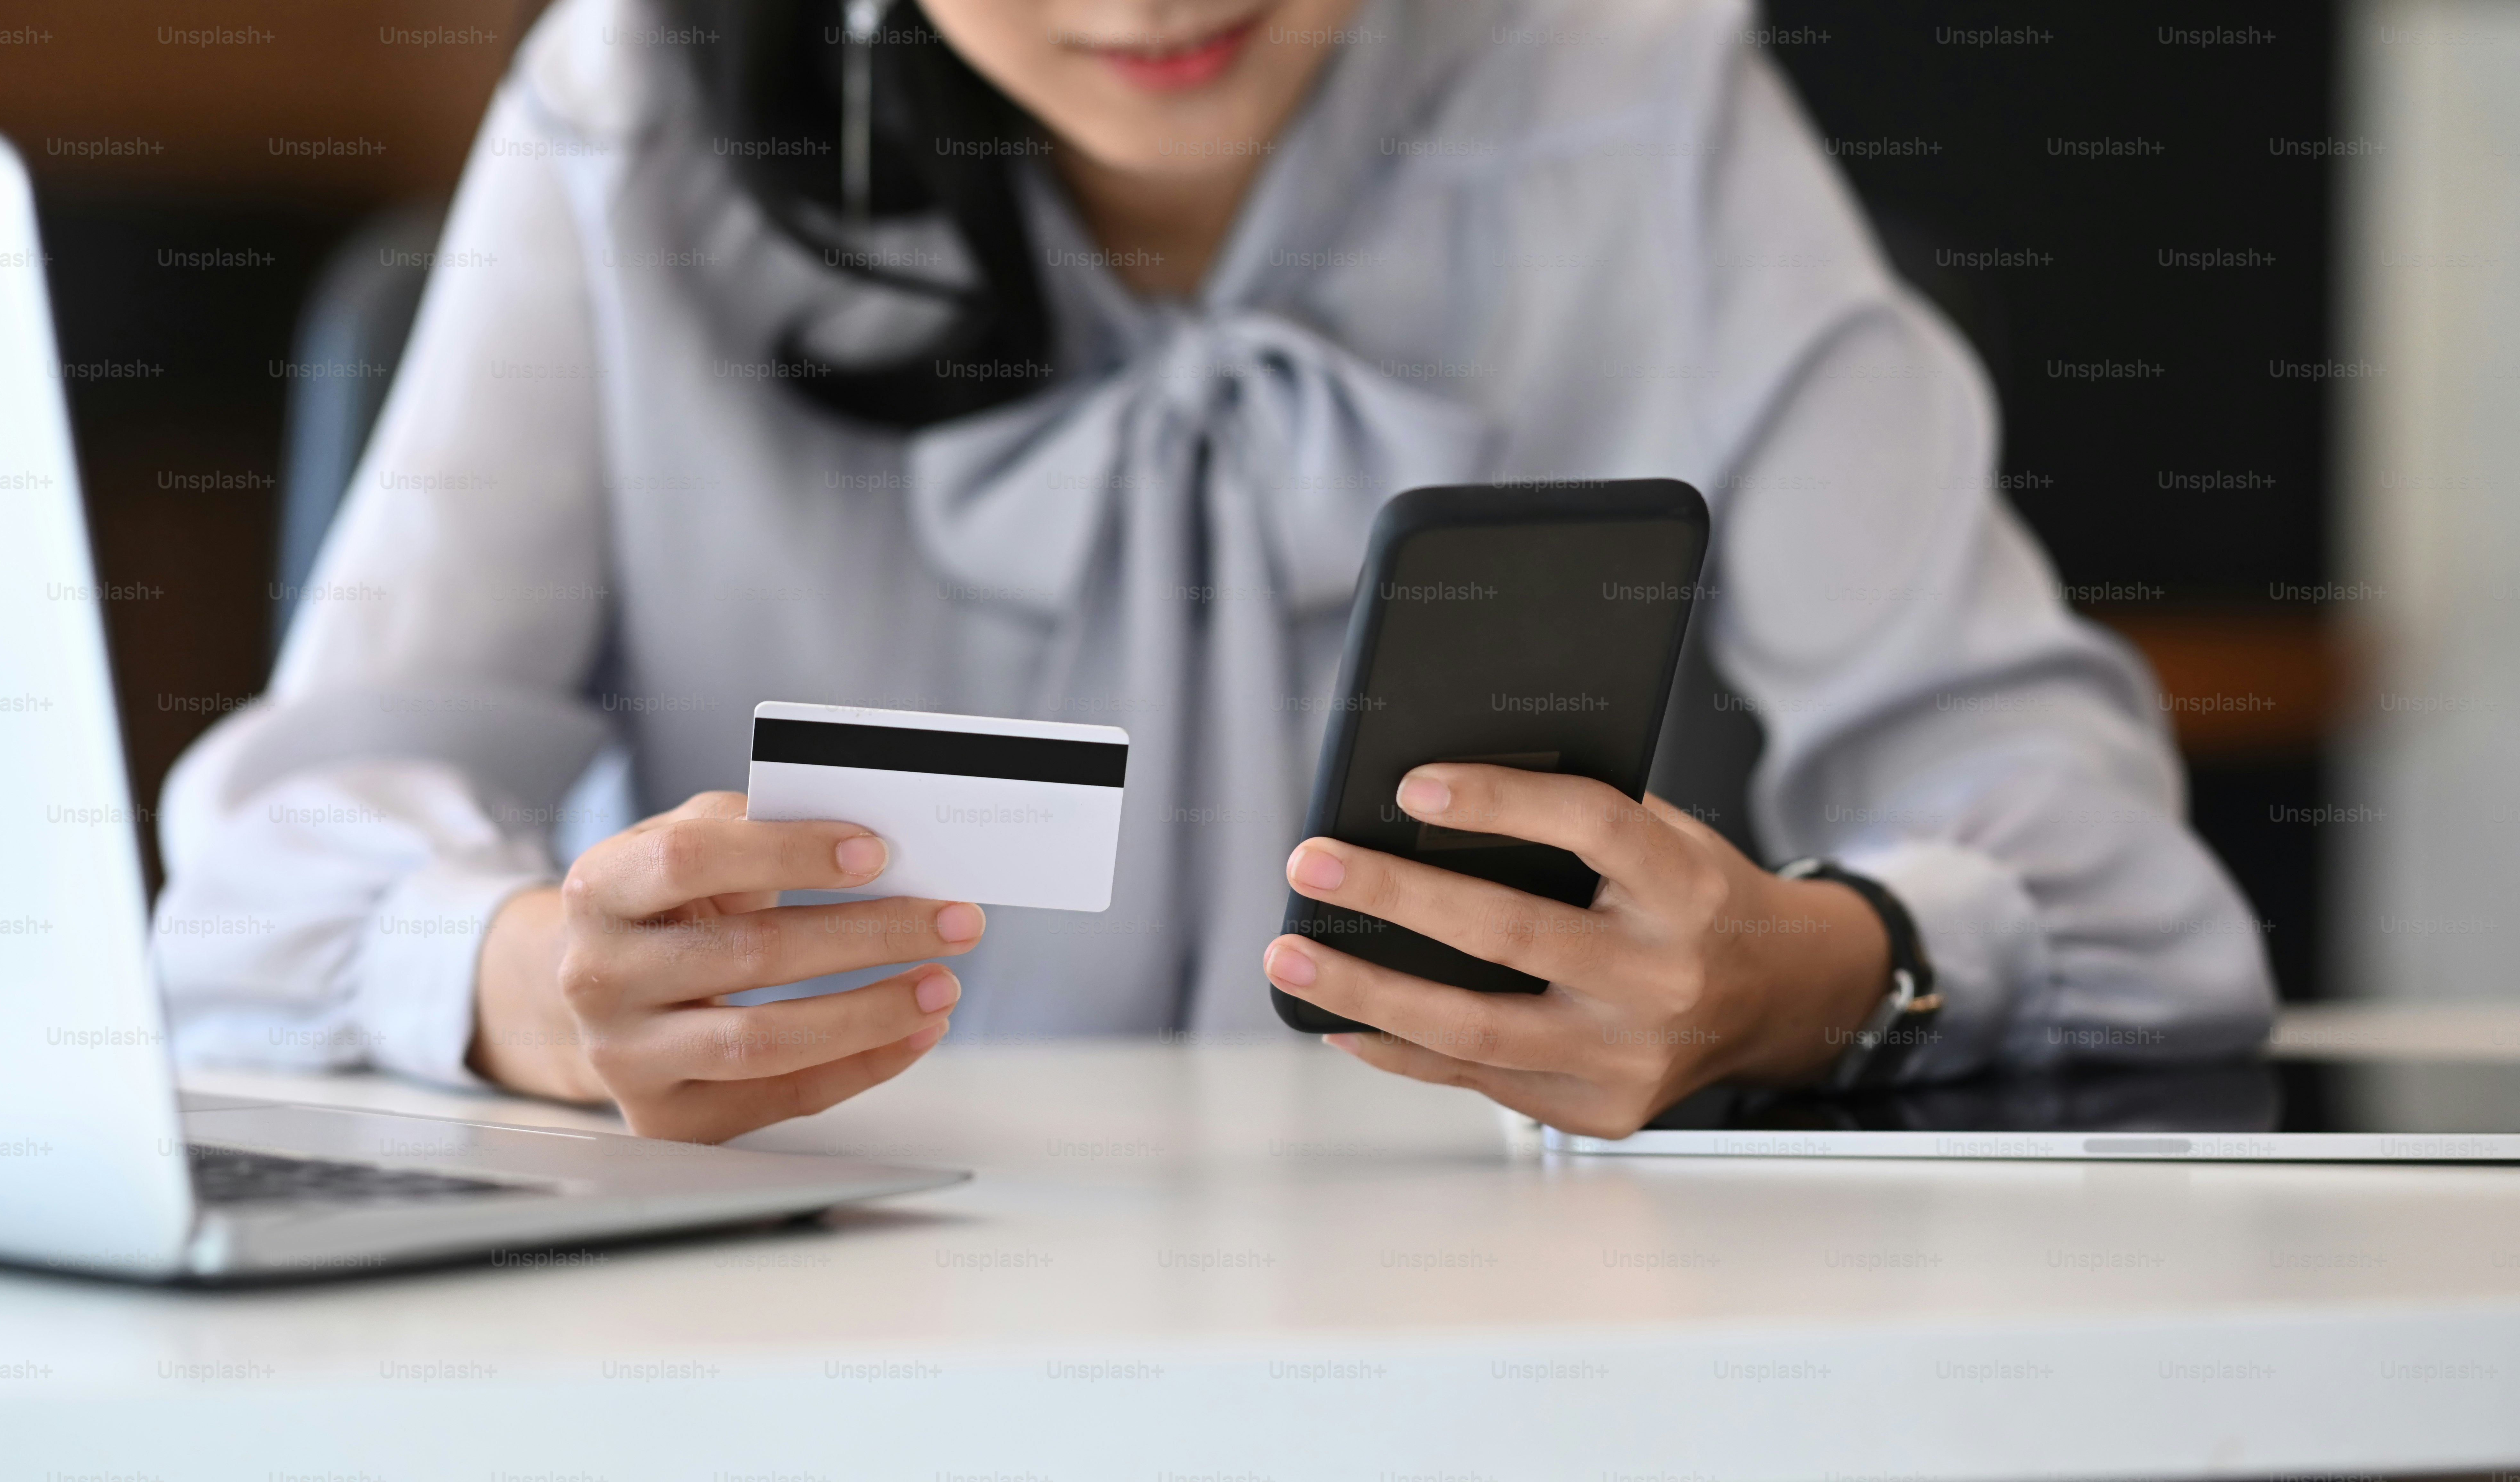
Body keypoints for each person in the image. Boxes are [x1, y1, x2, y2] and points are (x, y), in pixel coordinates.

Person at [152, 0, 2273, 1143]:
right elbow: (259, 896)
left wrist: (1799, 977)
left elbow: (2110, 879)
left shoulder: (1638, 89)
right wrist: (535, 985)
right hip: (795, 1340)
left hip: (1504, 1357)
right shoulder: (627, 103)